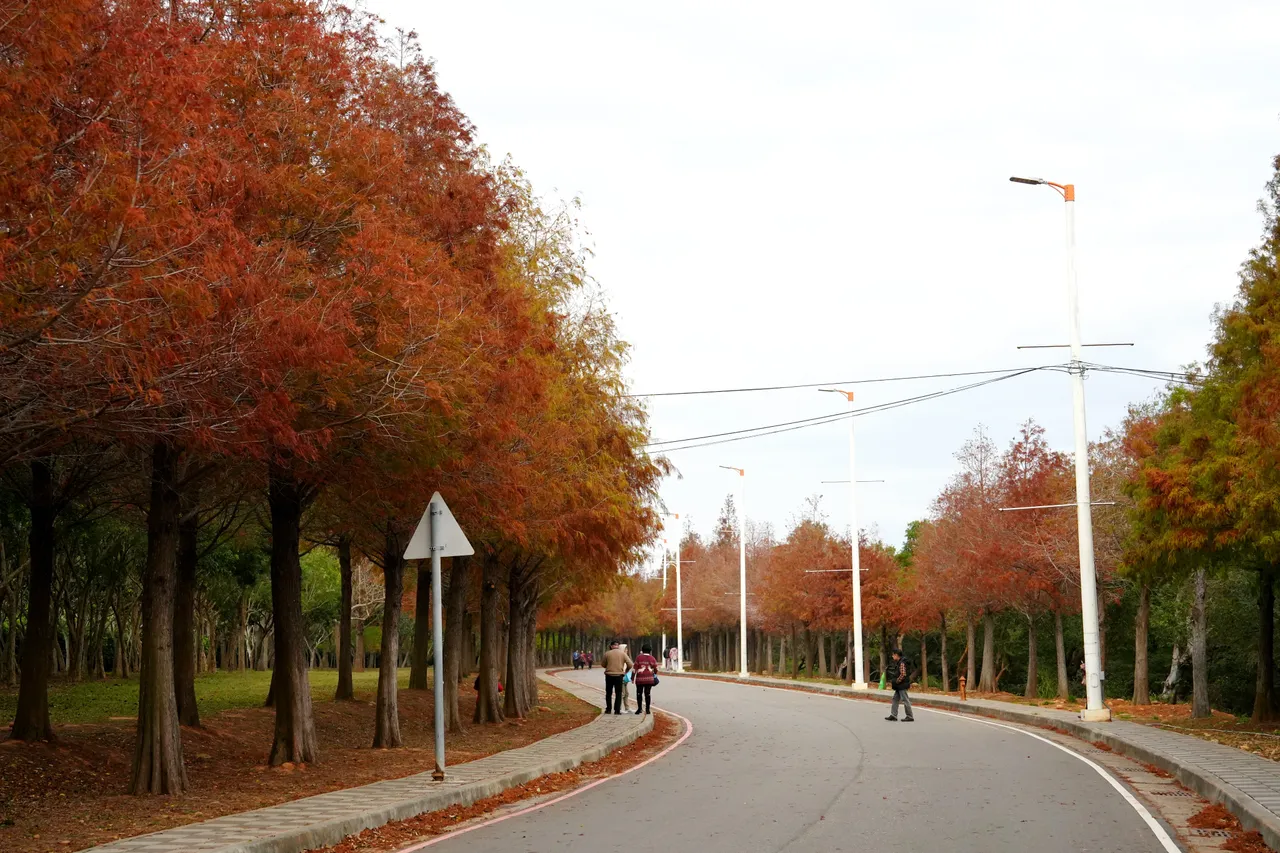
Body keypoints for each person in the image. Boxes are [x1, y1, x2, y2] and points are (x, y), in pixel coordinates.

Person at [601, 640, 632, 714]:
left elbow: (603, 664)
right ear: (617, 646)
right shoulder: (623, 654)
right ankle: (617, 710)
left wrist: (608, 666)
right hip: (619, 675)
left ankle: (608, 709)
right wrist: (626, 671)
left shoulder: (607, 654)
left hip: (609, 675)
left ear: (611, 646)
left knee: (608, 693)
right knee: (618, 693)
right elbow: (630, 664)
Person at [885, 648, 914, 722]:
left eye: (893, 655)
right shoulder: (899, 662)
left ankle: (909, 716)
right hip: (900, 685)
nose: (892, 656)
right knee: (895, 699)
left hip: (902, 685)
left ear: (896, 655)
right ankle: (893, 715)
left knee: (905, 700)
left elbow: (903, 674)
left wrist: (897, 681)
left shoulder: (902, 663)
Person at [633, 644, 659, 715]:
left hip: (639, 679)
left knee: (639, 693)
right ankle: (647, 709)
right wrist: (654, 673)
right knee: (647, 694)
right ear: (650, 651)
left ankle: (639, 708)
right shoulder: (652, 658)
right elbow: (656, 668)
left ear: (642, 650)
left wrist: (632, 678)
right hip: (649, 679)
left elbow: (635, 668)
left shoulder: (638, 658)